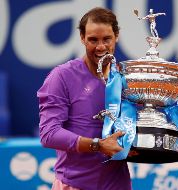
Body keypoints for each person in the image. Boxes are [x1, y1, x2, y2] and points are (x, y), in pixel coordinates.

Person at [37, 7, 132, 190]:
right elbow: (49, 134)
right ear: (82, 38)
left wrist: (175, 127)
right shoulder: (61, 76)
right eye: (93, 40)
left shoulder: (124, 77)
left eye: (107, 39)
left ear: (117, 36)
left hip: (118, 185)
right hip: (74, 185)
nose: (101, 47)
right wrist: (98, 145)